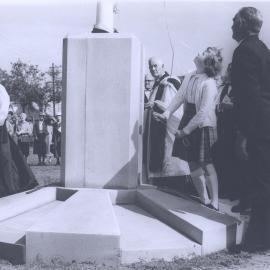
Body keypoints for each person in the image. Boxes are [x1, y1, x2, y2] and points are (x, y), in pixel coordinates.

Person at [155, 47, 223, 210]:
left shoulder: (210, 82)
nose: (199, 51)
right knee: (192, 162)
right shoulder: (191, 75)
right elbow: (180, 96)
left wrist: (185, 130)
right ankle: (204, 199)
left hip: (203, 124)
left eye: (204, 52)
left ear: (208, 61)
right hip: (188, 119)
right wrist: (167, 113)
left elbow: (203, 112)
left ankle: (215, 201)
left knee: (206, 163)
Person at [231, 7, 270, 251]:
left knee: (260, 181)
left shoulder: (243, 51)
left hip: (257, 126)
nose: (231, 26)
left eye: (235, 21)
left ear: (244, 24)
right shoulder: (264, 50)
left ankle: (258, 240)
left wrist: (243, 134)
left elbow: (249, 98)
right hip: (266, 122)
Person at [144, 57, 183, 179]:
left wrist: (155, 103)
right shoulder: (158, 83)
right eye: (151, 66)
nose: (153, 69)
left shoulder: (169, 82)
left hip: (168, 128)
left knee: (168, 159)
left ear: (163, 66)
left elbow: (174, 107)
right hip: (156, 127)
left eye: (155, 66)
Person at [0, 84, 38, 197]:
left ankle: (8, 187)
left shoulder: (0, 89)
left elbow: (3, 110)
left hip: (0, 128)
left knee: (5, 157)